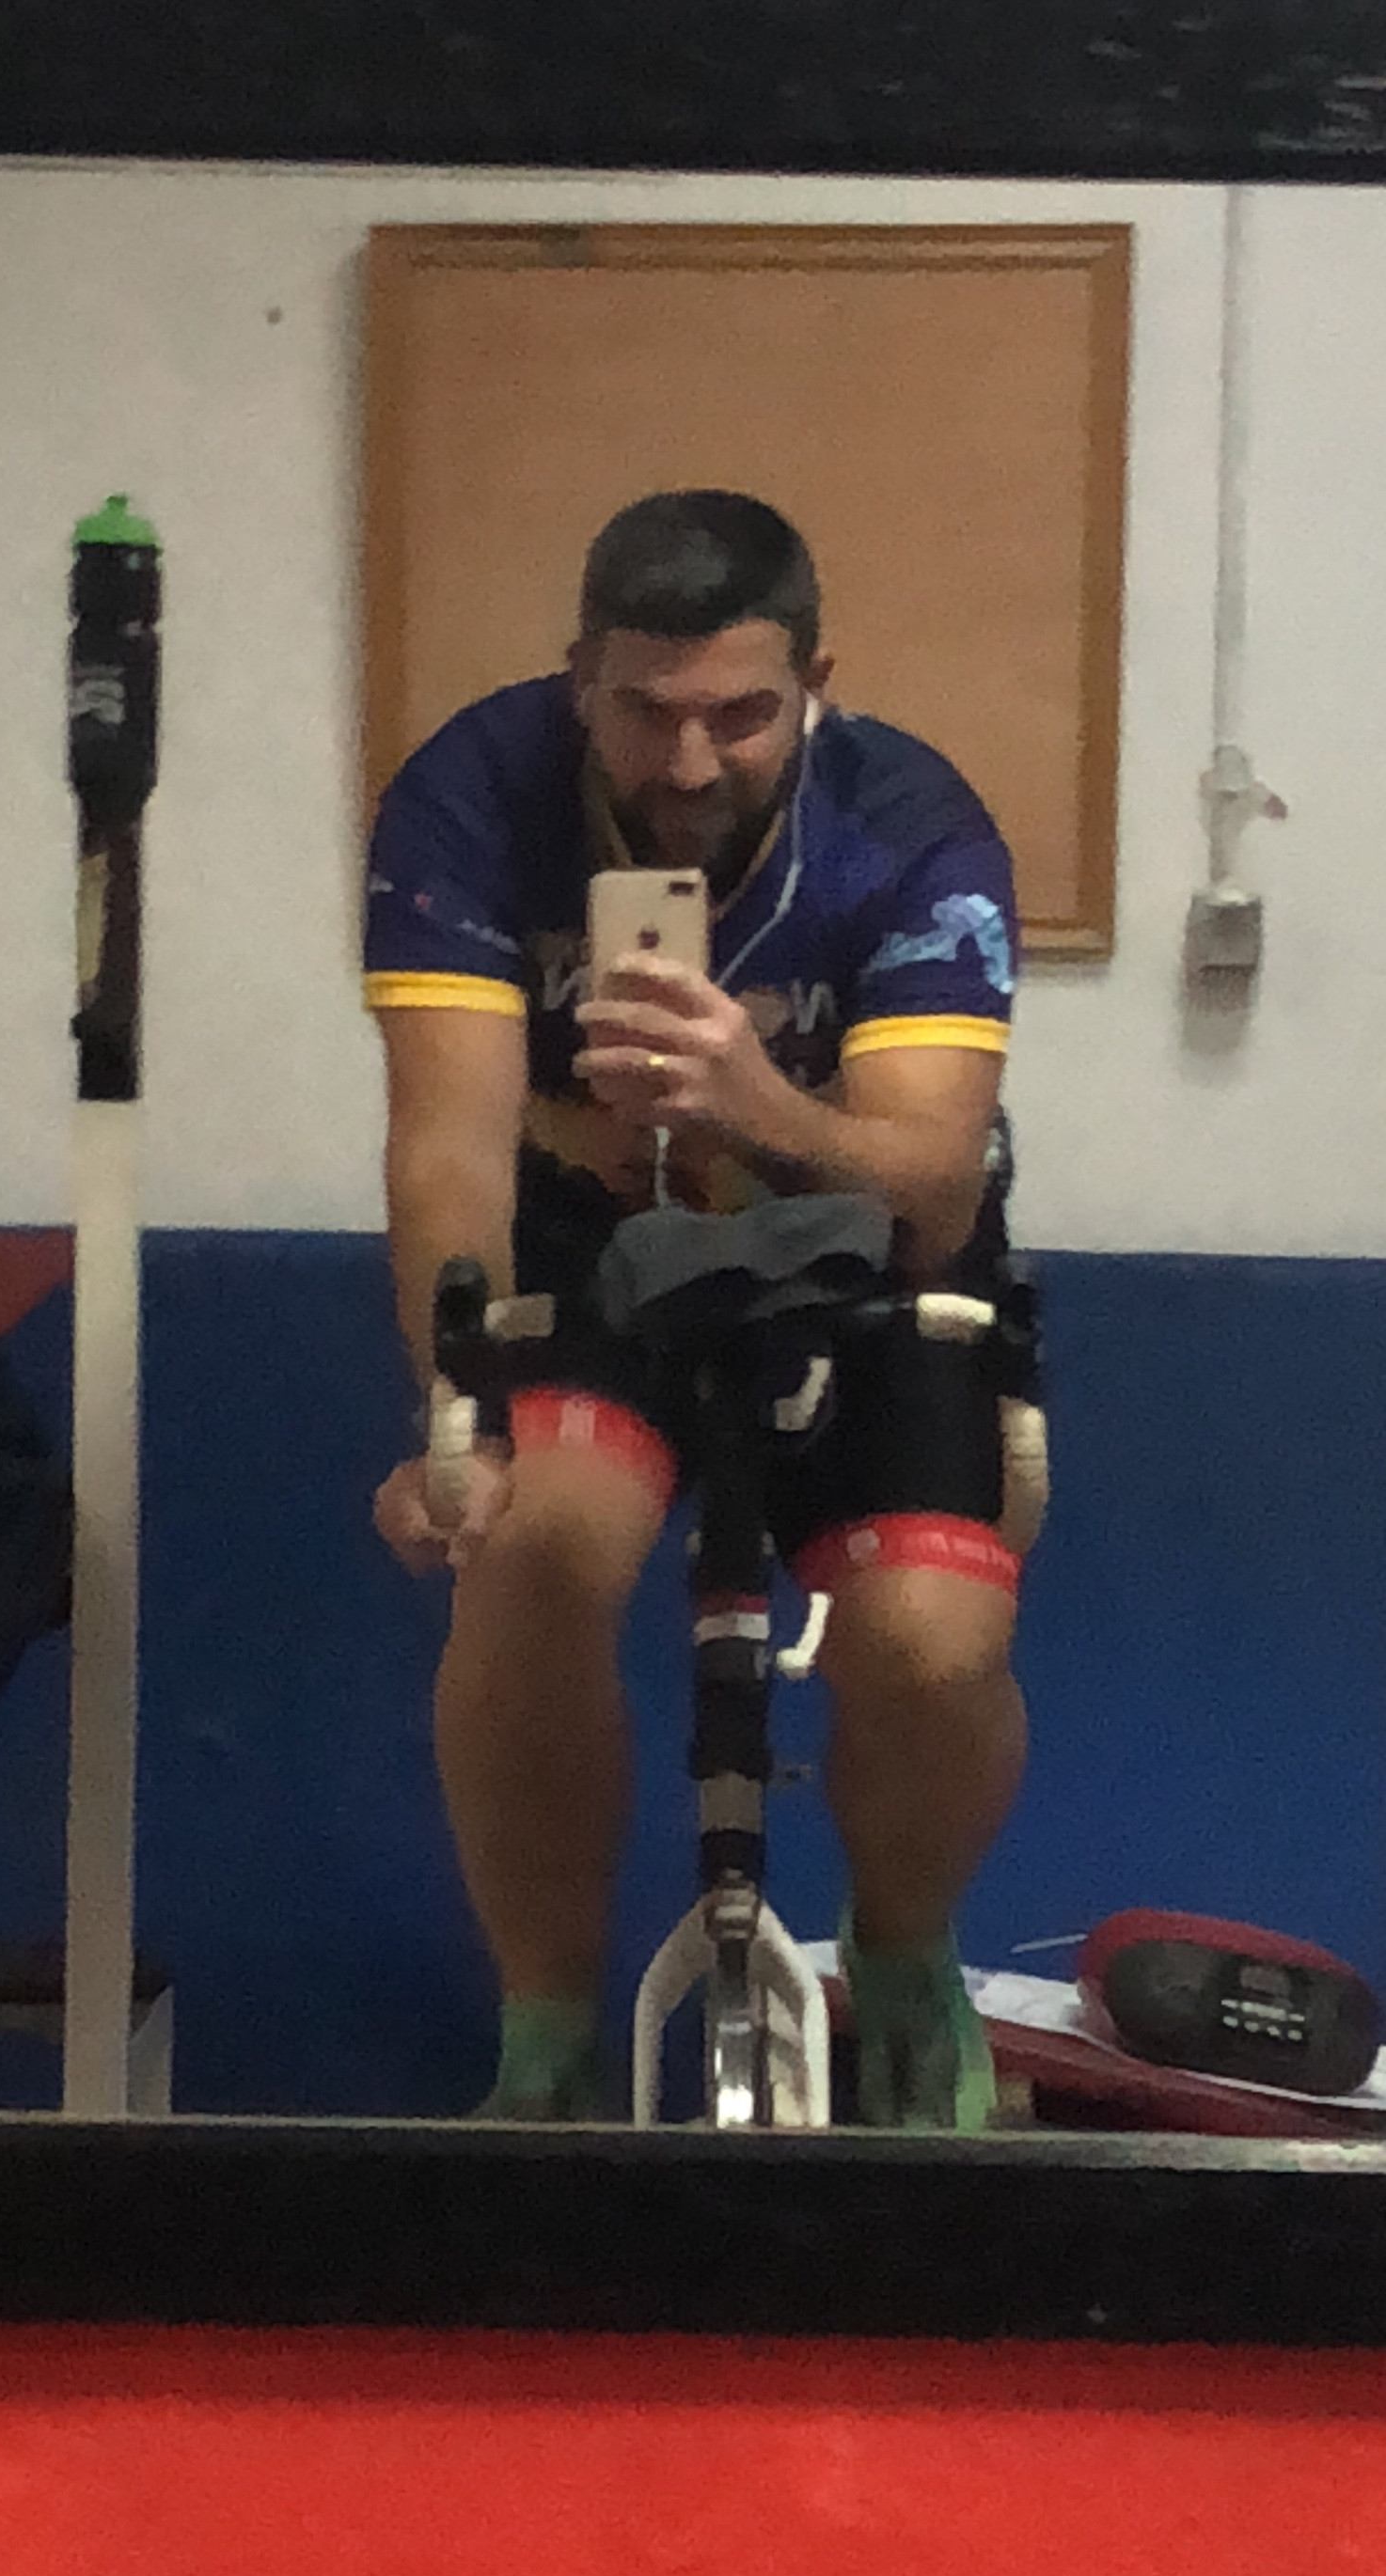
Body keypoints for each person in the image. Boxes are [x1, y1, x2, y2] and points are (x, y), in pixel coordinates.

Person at [365, 489, 1042, 2127]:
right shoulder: (471, 793)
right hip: (592, 1241)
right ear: (577, 677)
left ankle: (903, 1955)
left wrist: (753, 1097)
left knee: (932, 1642)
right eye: (644, 713)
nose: (687, 764)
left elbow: (932, 1187)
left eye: (740, 715)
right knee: (528, 1548)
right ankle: (546, 2040)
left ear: (817, 684)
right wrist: (454, 1416)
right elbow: (447, 1147)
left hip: (859, 1249)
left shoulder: (914, 823)